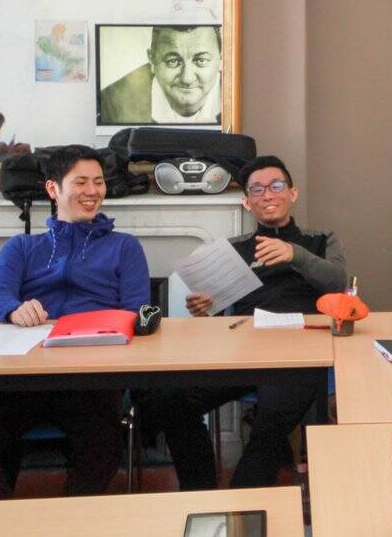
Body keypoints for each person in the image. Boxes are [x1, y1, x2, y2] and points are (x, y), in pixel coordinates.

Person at [0, 145, 150, 499]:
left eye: (99, 182)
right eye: (81, 182)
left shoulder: (125, 247)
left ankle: (69, 524)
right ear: (53, 189)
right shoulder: (22, 247)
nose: (92, 191)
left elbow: (136, 309)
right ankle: (2, 524)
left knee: (102, 446)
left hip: (91, 376)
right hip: (23, 375)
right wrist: (13, 309)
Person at [141, 155, 346, 490]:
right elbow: (222, 314)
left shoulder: (321, 240)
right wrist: (208, 306)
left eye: (276, 186)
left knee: (271, 420)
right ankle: (200, 493)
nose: (268, 195)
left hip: (300, 351)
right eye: (258, 190)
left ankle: (239, 504)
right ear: (247, 202)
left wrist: (296, 255)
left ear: (292, 193)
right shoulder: (232, 249)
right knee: (169, 396)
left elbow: (339, 283)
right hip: (243, 350)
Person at [99, 25, 221, 125]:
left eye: (201, 60)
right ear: (152, 60)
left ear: (221, 59)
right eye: (173, 61)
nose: (187, 78)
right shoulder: (112, 104)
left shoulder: (239, 103)